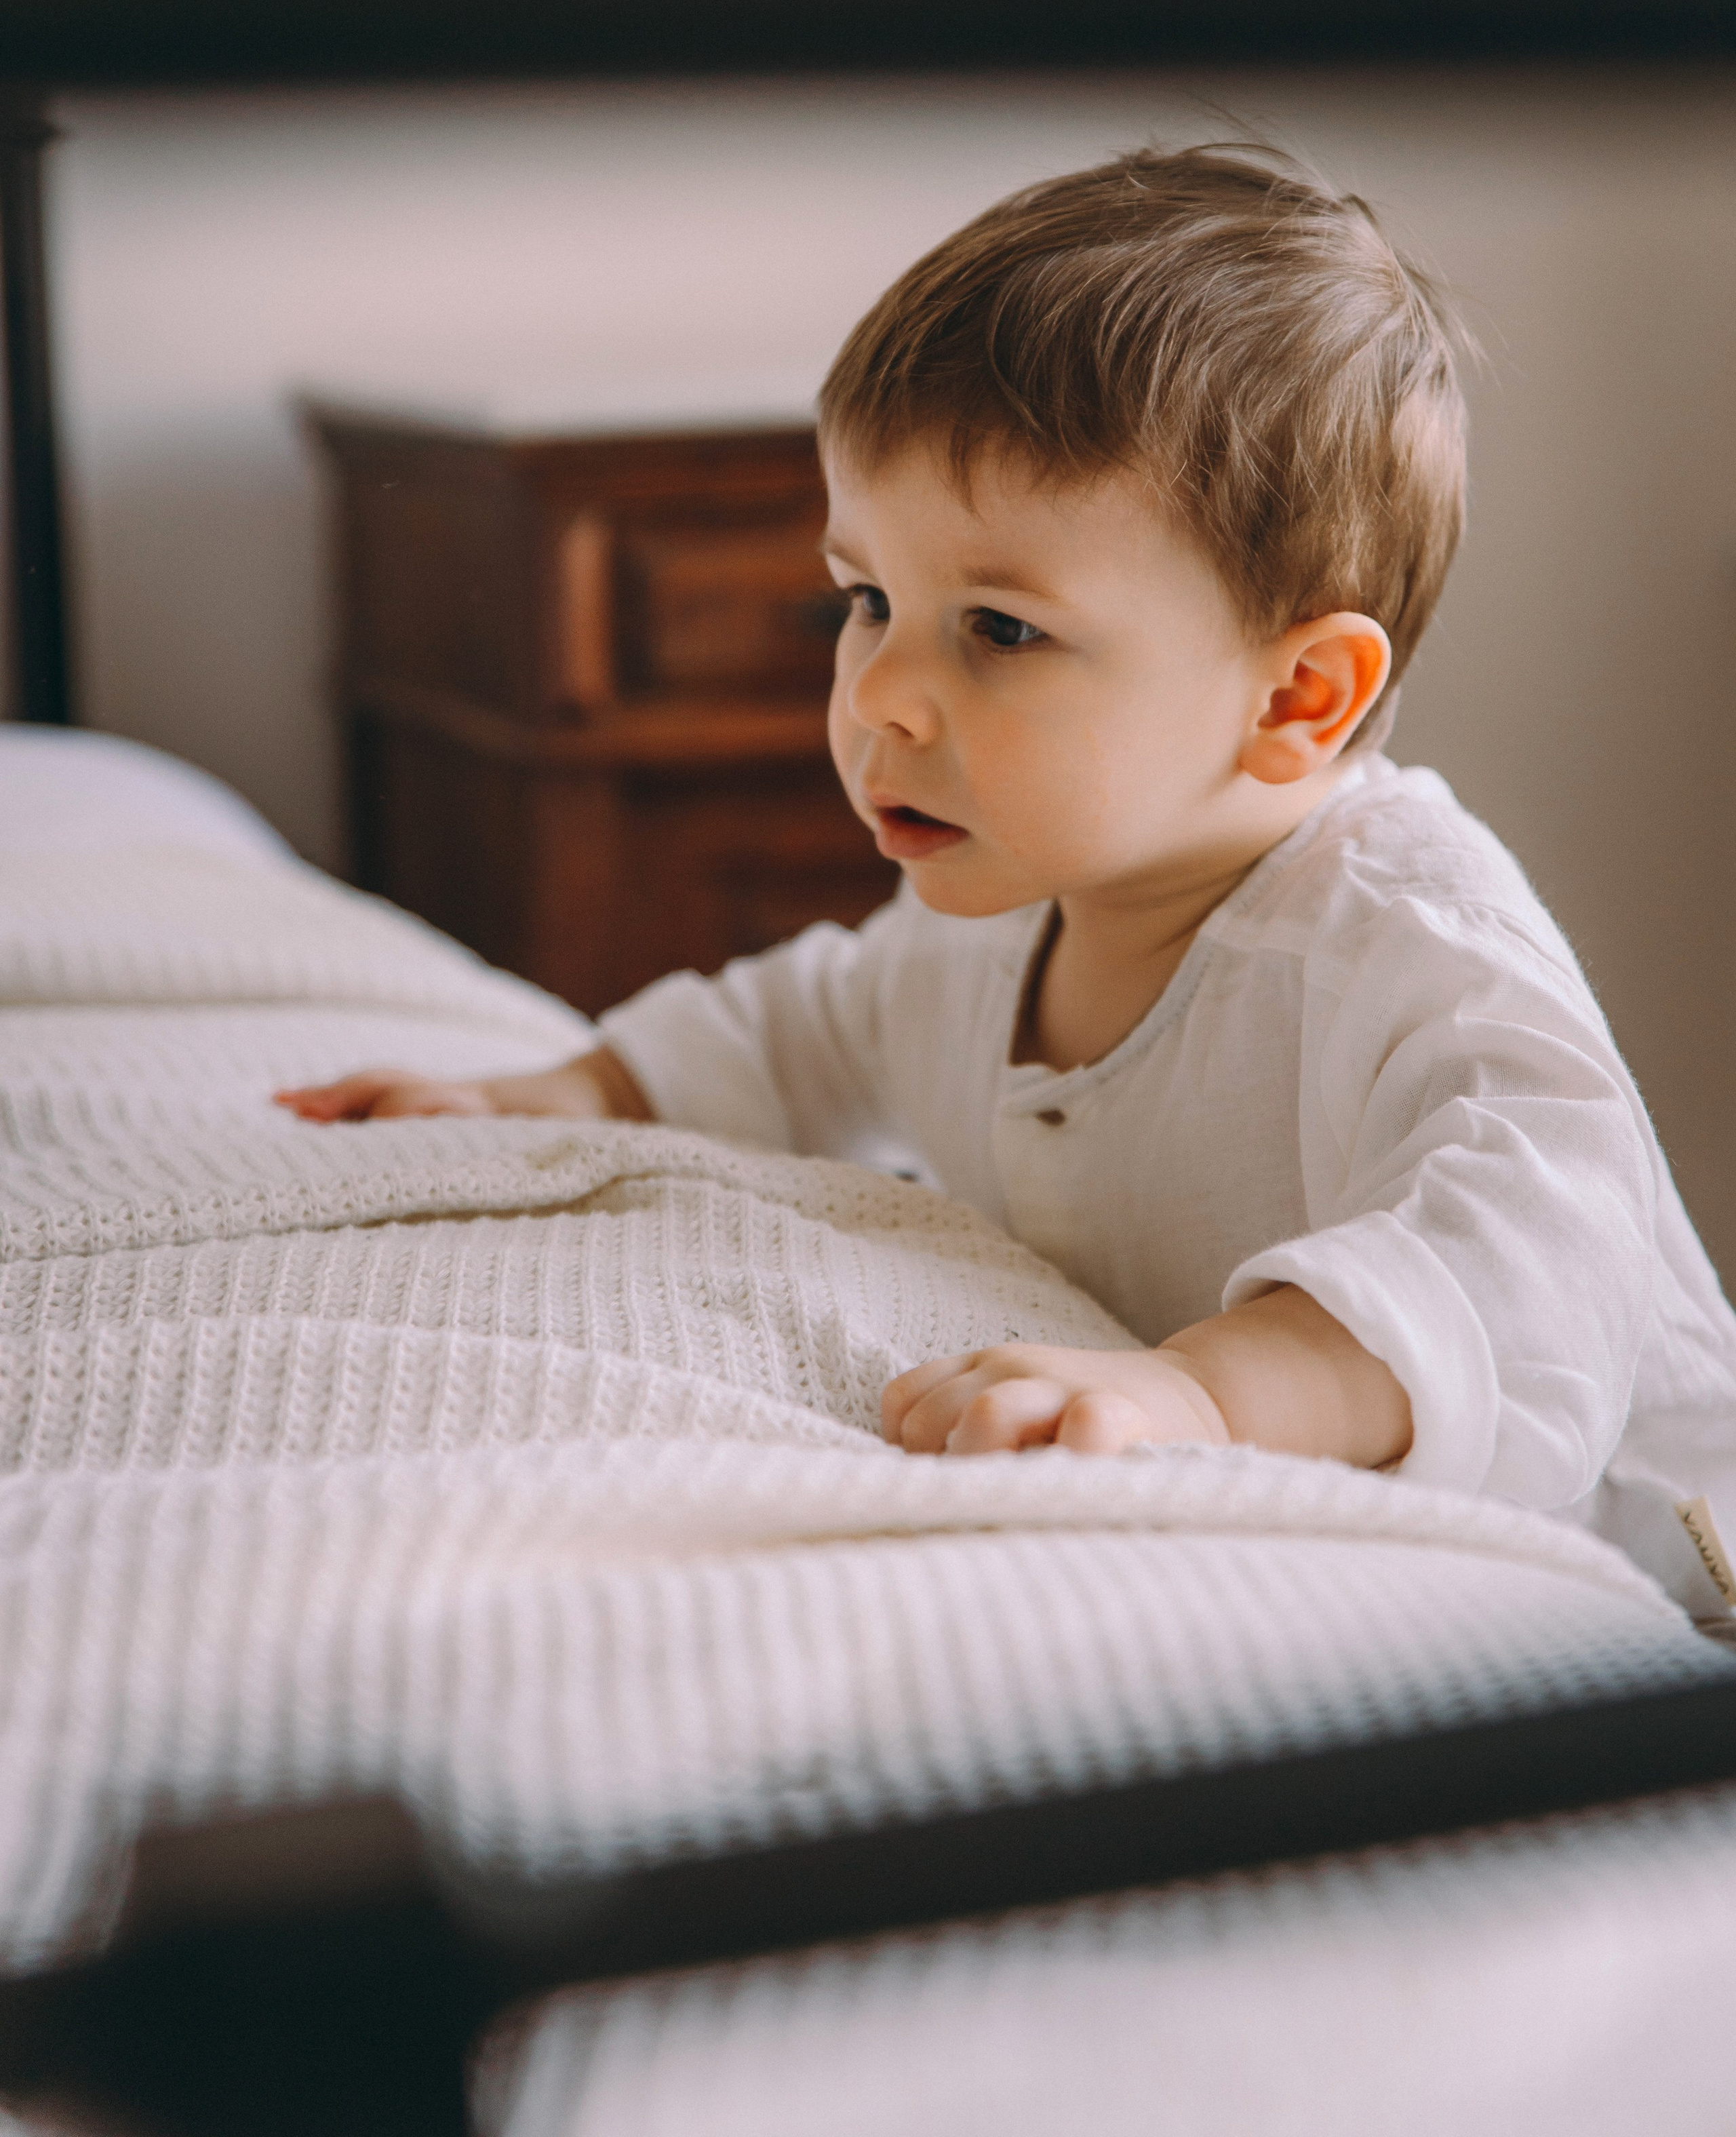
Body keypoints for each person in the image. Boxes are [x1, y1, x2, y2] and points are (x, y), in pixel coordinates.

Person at [278, 144, 1736, 1616]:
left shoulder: (1406, 945)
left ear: (1295, 698)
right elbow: (813, 1022)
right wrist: (577, 1092)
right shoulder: (1009, 909)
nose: (879, 697)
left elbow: (1536, 1250)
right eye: (866, 599)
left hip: (1659, 1594)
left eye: (997, 629)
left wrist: (1208, 1395)